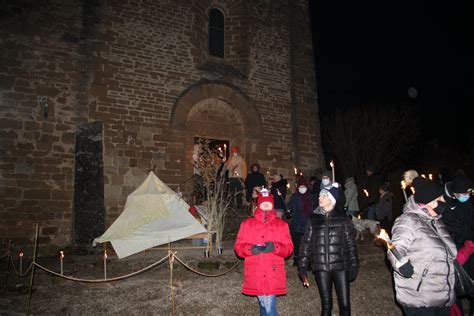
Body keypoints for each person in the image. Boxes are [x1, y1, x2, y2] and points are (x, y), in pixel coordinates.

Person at [387, 176, 456, 316]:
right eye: (439, 199)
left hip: (444, 295)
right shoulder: (408, 220)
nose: (443, 202)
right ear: (428, 202)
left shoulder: (437, 222)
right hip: (420, 297)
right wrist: (401, 264)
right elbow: (395, 248)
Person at [298, 183, 359, 316]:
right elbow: (306, 243)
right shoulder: (313, 219)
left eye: (323, 195)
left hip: (340, 267)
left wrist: (354, 264)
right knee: (326, 305)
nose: (319, 198)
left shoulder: (343, 219)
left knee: (345, 305)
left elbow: (350, 244)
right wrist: (302, 266)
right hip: (321, 268)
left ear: (332, 199)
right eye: (319, 195)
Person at [234, 189, 294, 316]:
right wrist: (251, 249)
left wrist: (276, 247)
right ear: (259, 204)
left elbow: (289, 249)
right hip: (256, 271)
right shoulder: (247, 224)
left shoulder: (282, 225)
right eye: (263, 203)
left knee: (269, 307)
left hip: (273, 272)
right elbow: (238, 248)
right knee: (263, 305)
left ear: (272, 204)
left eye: (269, 203)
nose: (266, 205)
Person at [441, 174, 474, 315]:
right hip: (456, 249)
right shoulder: (443, 203)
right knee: (455, 284)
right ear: (454, 193)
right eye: (463, 194)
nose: (466, 196)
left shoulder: (466, 201)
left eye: (469, 193)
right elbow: (448, 228)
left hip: (469, 246)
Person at [287, 176, 316, 266]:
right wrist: (288, 212)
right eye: (300, 187)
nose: (302, 189)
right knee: (297, 244)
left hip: (308, 224)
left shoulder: (311, 197)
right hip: (297, 224)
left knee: (308, 244)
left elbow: (314, 209)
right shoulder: (295, 197)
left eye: (303, 187)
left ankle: (309, 262)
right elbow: (289, 207)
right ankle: (297, 260)